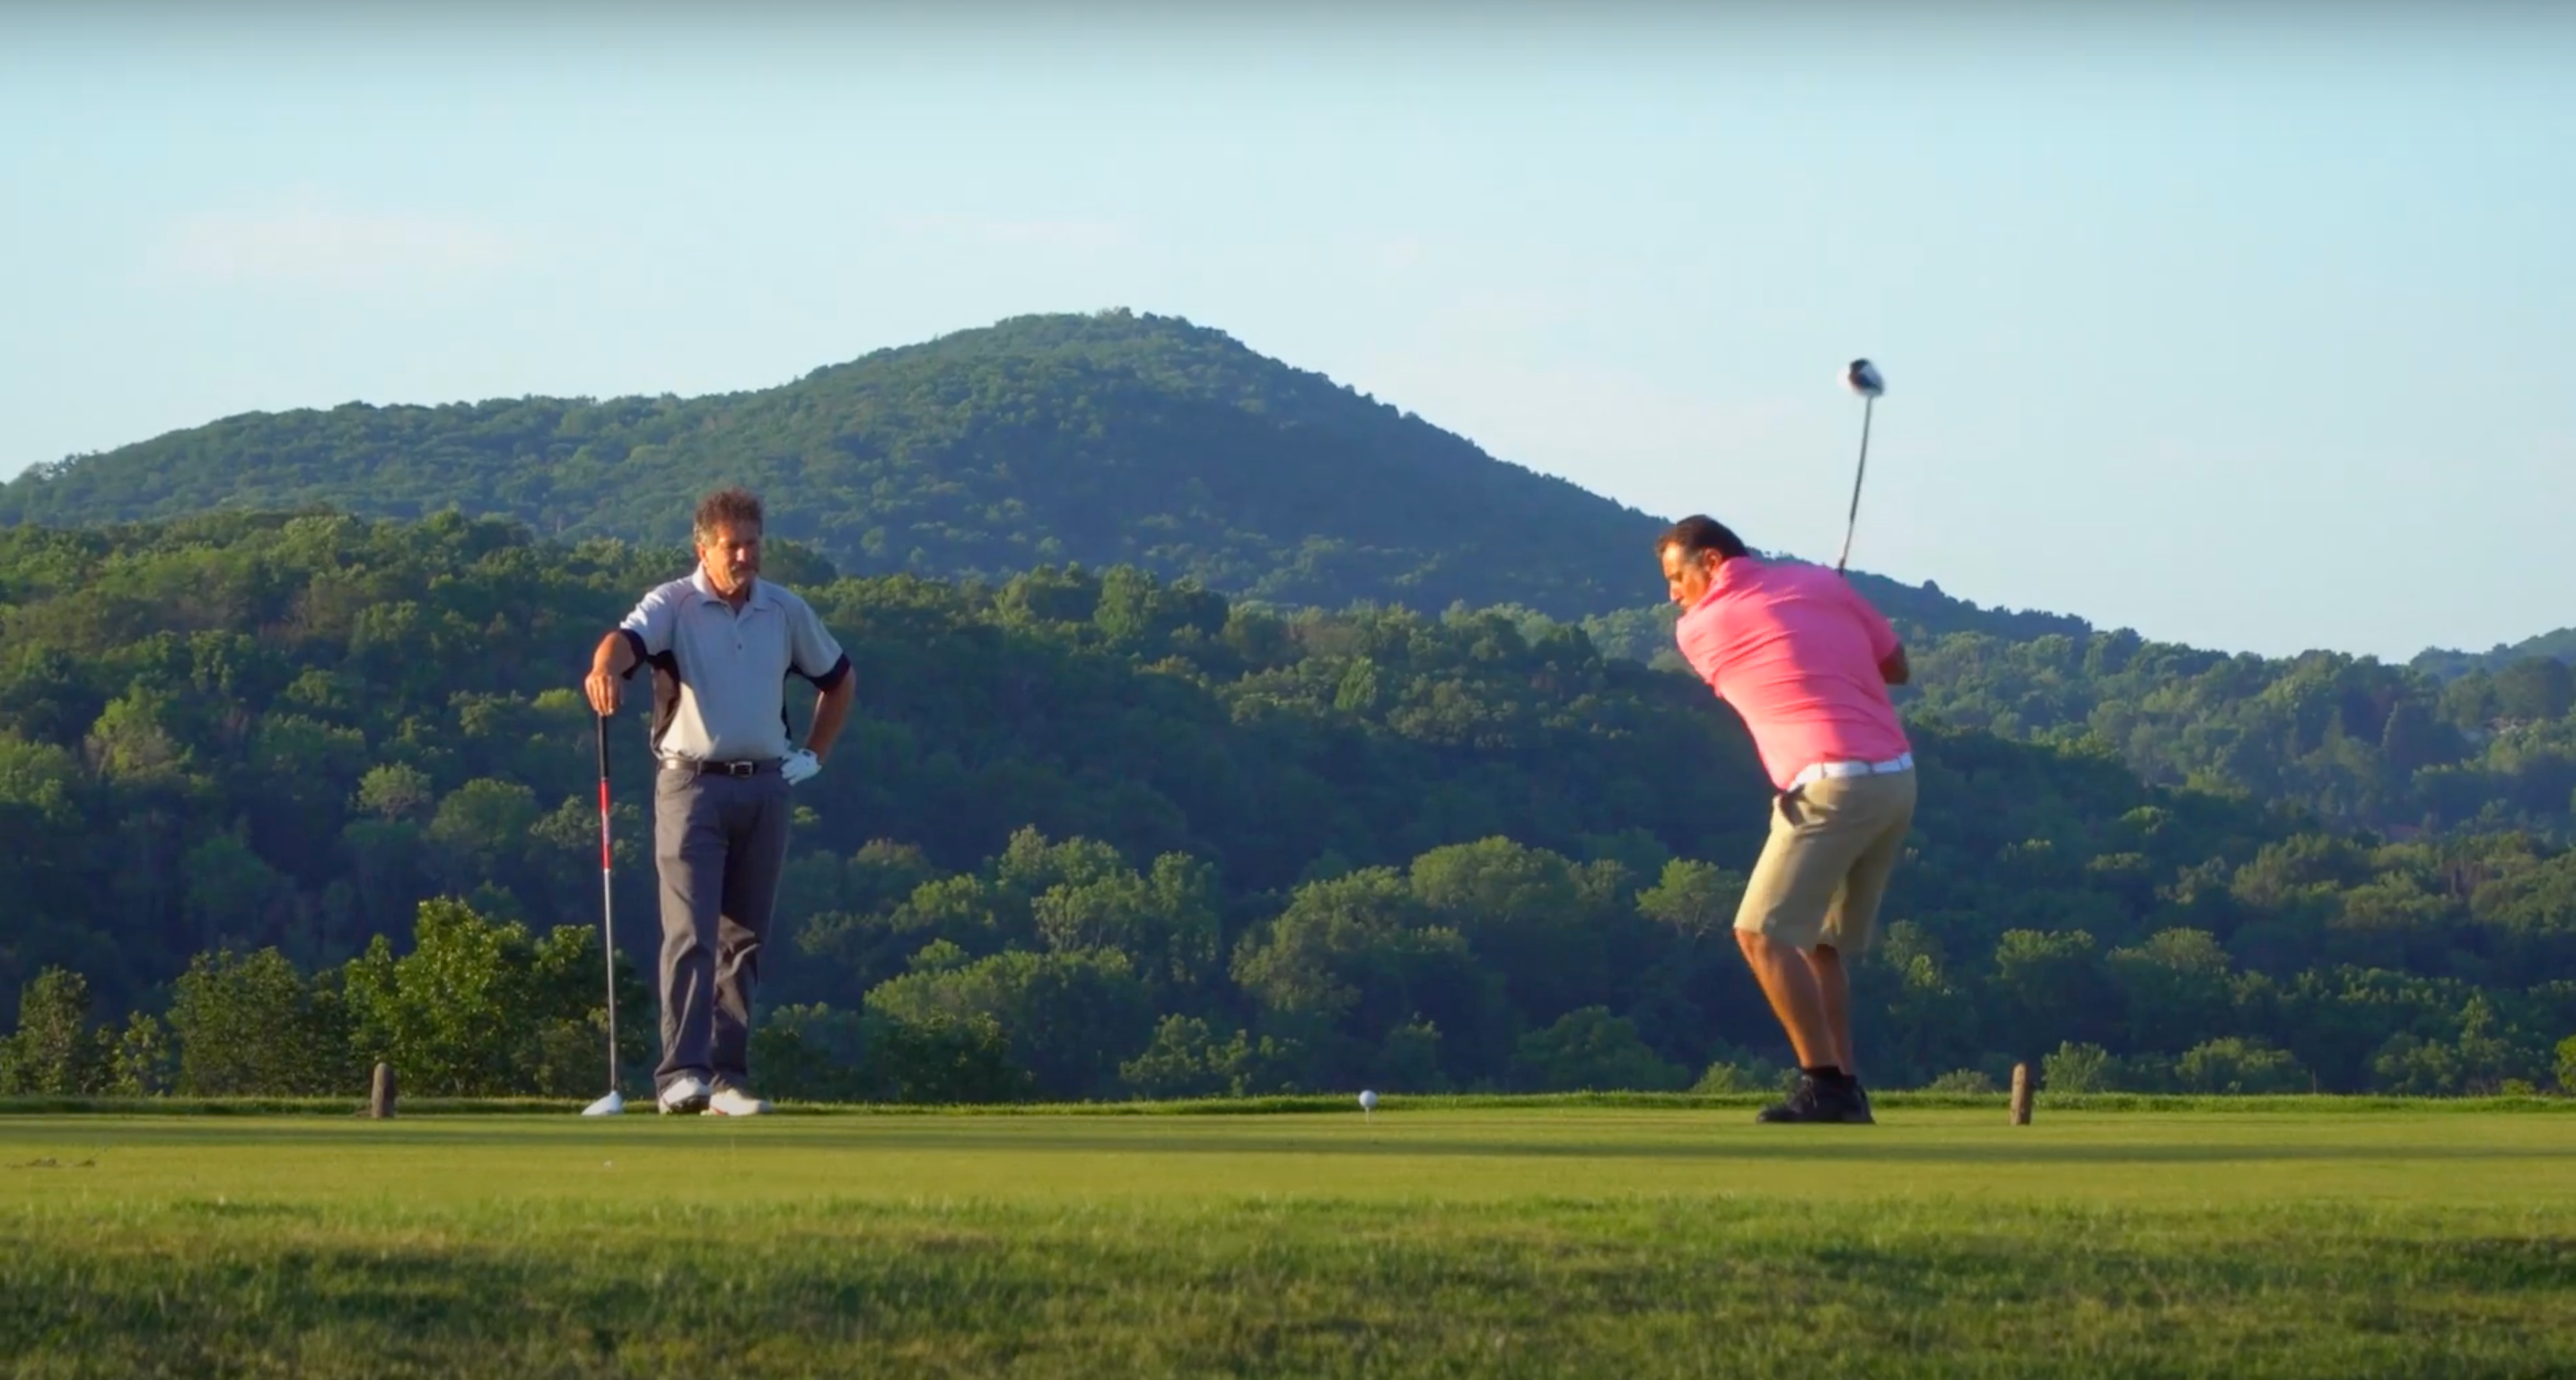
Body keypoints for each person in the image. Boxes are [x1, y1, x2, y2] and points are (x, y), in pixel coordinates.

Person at [583, 486, 856, 1115]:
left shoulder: (783, 610)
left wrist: (813, 755)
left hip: (765, 784)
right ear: (702, 547)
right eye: (732, 545)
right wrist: (604, 669)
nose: (745, 555)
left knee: (744, 939)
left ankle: (727, 1081)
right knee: (691, 932)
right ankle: (682, 1073)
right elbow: (623, 642)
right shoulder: (673, 604)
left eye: (753, 543)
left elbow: (839, 680)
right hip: (690, 785)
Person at [1658, 515, 1915, 1124]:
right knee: (1821, 946)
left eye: (1676, 576)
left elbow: (1759, 660)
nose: (1672, 593)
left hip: (1832, 786)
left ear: (1713, 562)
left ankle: (1824, 1086)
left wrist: (1811, 621)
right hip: (1897, 779)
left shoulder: (1699, 629)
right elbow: (1896, 668)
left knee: (1761, 934)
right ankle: (1846, 1088)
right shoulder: (1822, 585)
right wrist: (1830, 608)